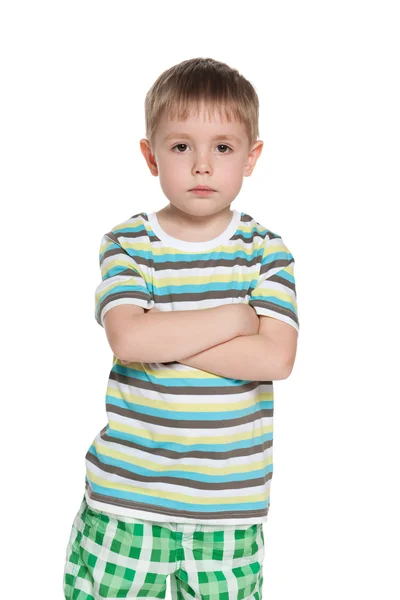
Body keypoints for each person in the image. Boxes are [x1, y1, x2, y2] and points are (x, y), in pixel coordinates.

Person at [63, 56, 300, 600]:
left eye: (222, 147)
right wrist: (236, 320)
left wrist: (165, 338)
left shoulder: (266, 251)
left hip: (228, 507)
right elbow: (129, 339)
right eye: (179, 146)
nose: (201, 165)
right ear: (151, 156)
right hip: (127, 497)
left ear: (251, 156)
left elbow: (275, 359)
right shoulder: (128, 244)